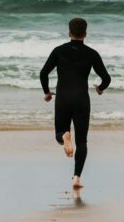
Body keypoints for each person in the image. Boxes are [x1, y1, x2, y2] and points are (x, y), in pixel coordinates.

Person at [39, 17, 110, 190]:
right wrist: (100, 88)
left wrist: (47, 92)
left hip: (63, 98)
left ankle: (64, 137)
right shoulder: (92, 53)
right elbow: (106, 78)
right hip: (81, 99)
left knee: (59, 133)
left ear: (69, 32)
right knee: (82, 141)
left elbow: (43, 73)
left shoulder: (58, 51)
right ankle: (76, 177)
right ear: (85, 33)